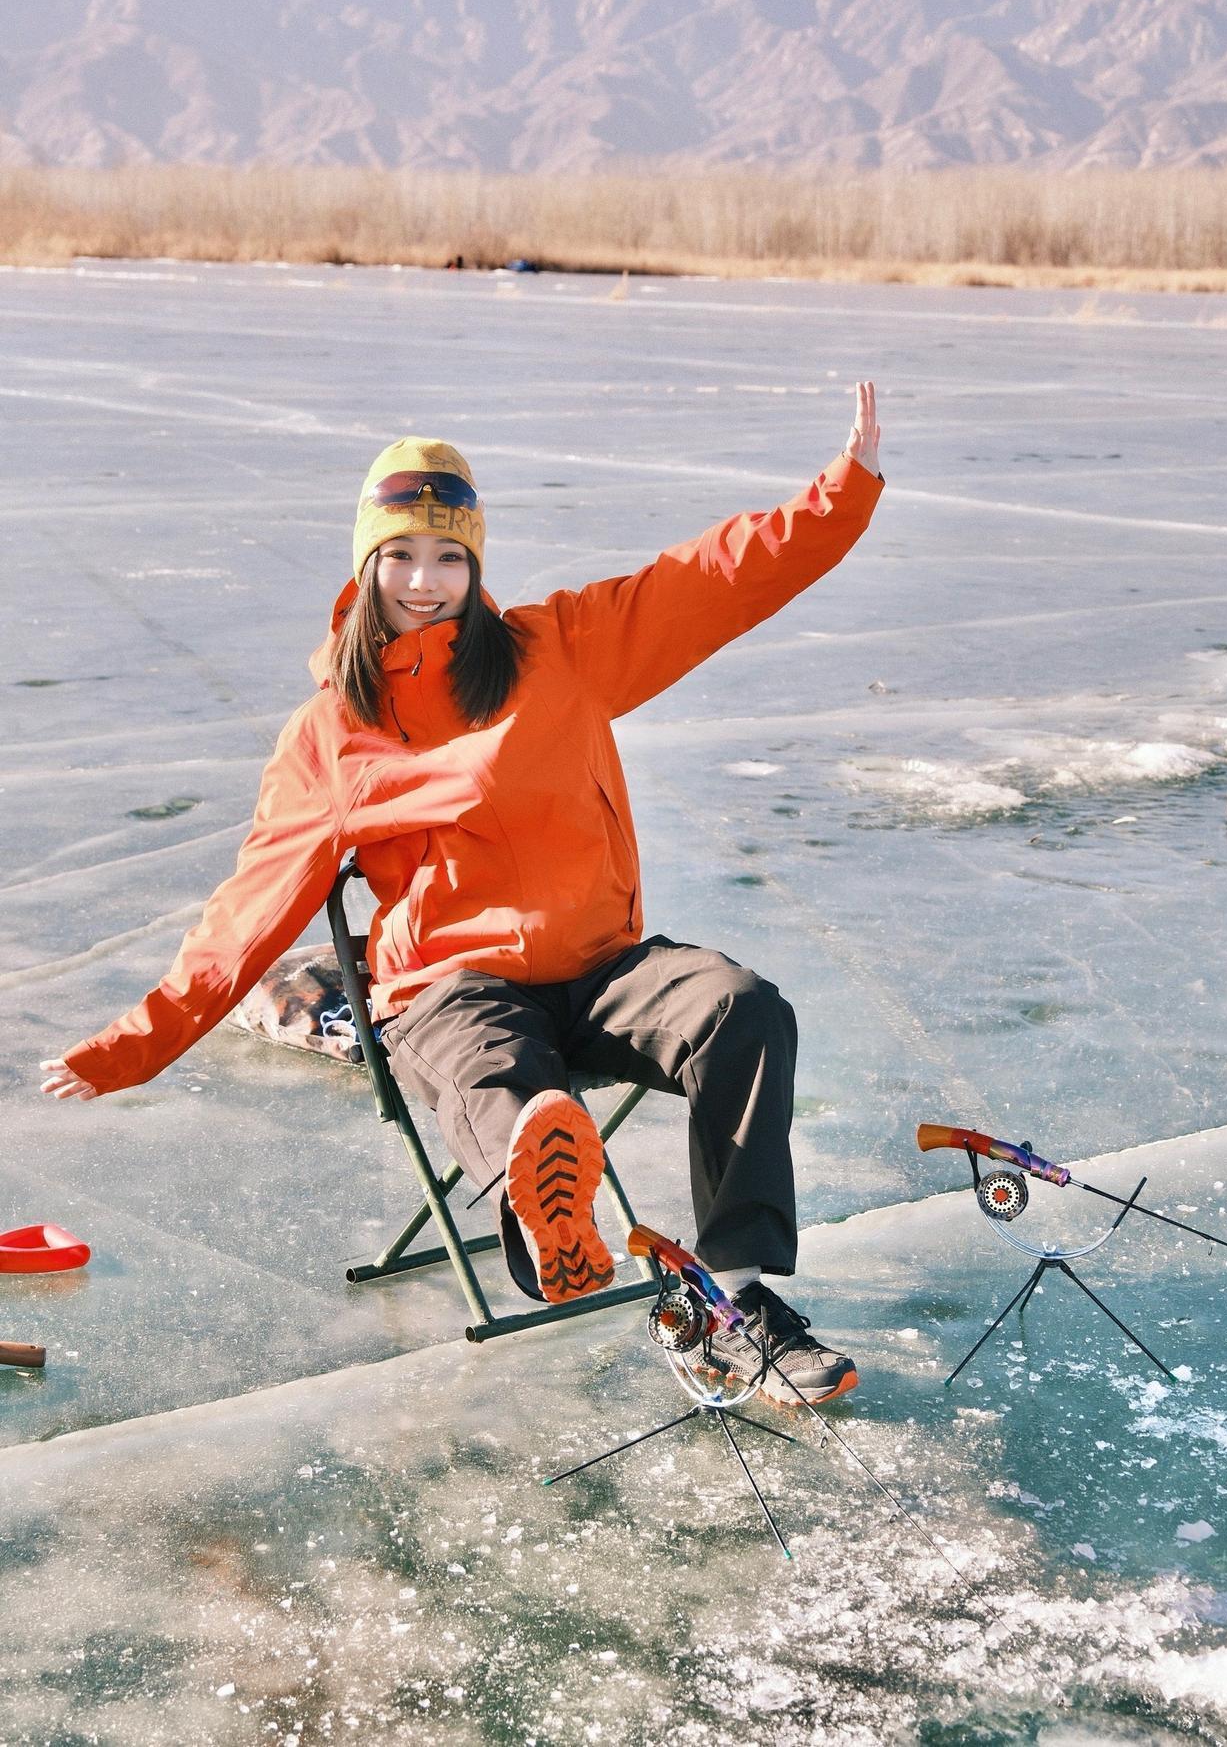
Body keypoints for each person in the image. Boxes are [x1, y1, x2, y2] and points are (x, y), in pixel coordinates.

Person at [40, 385, 884, 1406]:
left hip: (599, 967)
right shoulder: (333, 732)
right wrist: (138, 1039)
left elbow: (708, 582)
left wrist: (843, 492)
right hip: (449, 987)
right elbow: (249, 909)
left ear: (475, 563)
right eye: (401, 556)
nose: (425, 580)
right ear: (366, 564)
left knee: (741, 1009)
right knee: (506, 1077)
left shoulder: (556, 649)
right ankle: (547, 1210)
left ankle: (736, 1300)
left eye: (448, 557)